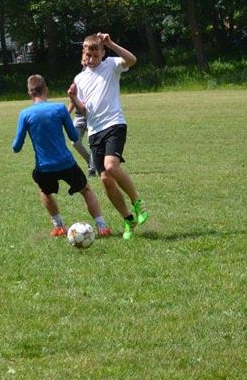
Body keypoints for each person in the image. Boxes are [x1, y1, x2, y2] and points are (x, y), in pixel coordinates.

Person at [67, 33, 149, 240]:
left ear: (103, 53)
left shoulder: (111, 65)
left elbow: (132, 60)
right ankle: (128, 219)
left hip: (114, 124)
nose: (92, 59)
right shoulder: (80, 78)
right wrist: (73, 97)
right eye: (89, 55)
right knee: (105, 180)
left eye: (96, 55)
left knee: (111, 166)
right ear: (84, 53)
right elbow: (83, 110)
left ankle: (138, 202)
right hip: (94, 131)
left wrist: (111, 43)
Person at [12, 74, 111, 238]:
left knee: (44, 191)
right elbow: (74, 136)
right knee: (86, 190)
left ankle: (59, 226)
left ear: (30, 94)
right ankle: (101, 226)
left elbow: (16, 147)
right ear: (46, 90)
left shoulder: (25, 114)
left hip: (44, 167)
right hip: (66, 163)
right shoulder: (59, 108)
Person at [67, 98, 97, 177]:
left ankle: (92, 169)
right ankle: (90, 161)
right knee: (75, 142)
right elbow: (72, 100)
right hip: (79, 117)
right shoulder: (76, 89)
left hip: (92, 117)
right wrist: (66, 114)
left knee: (92, 143)